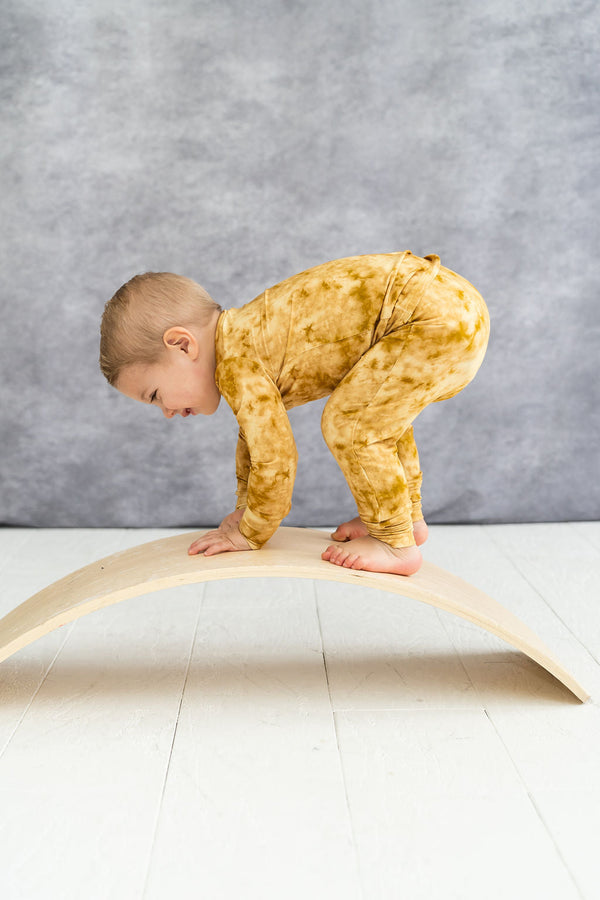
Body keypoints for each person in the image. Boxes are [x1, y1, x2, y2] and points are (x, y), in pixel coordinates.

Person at [99, 249, 490, 577]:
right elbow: (254, 437)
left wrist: (250, 533)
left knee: (351, 425)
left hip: (432, 319)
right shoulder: (247, 340)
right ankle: (407, 520)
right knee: (378, 415)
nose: (166, 412)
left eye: (154, 394)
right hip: (453, 307)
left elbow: (275, 459)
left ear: (182, 346)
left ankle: (395, 542)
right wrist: (244, 509)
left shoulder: (238, 361)